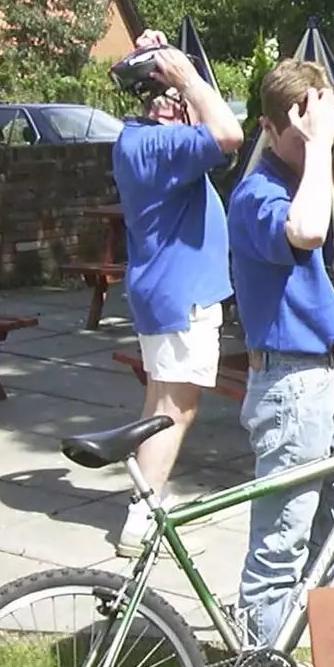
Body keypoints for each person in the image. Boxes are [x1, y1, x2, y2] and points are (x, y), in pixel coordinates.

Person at [227, 57, 334, 658]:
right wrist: (319, 146)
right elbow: (306, 232)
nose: (313, 136)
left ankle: (283, 644)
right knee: (280, 545)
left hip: (312, 377)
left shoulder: (295, 182)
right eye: (299, 127)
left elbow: (308, 277)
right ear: (269, 128)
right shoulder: (258, 194)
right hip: (287, 386)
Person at [112, 29, 244, 557]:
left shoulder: (139, 139)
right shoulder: (165, 145)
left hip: (160, 290)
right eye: (177, 98)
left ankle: (147, 499)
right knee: (177, 405)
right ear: (170, 107)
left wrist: (175, 66)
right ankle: (141, 520)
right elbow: (230, 133)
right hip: (180, 294)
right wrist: (187, 79)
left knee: (159, 398)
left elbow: (217, 133)